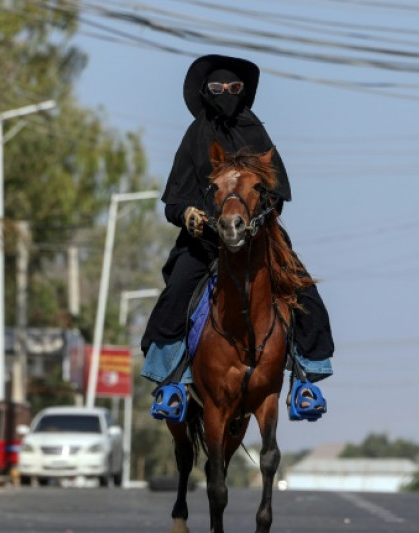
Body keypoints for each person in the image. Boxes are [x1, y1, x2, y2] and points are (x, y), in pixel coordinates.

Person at [140, 54, 334, 422]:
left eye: (234, 88)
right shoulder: (194, 135)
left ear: (244, 93)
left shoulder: (257, 133)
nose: (225, 94)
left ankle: (306, 379)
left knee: (304, 290)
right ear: (204, 92)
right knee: (177, 292)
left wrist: (257, 217)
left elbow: (277, 195)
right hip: (205, 242)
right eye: (217, 88)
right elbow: (173, 202)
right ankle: (170, 382)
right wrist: (188, 215)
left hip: (259, 238)